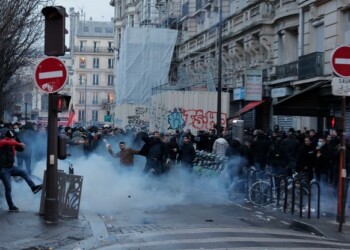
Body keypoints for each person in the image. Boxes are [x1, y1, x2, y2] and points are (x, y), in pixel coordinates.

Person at [0, 130, 43, 212]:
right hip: (3, 169)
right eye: (12, 138)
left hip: (11, 167)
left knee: (23, 172)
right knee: (8, 188)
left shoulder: (14, 142)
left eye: (14, 138)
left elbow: (20, 149)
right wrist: (18, 143)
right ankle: (11, 206)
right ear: (7, 137)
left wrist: (21, 145)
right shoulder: (2, 142)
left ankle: (33, 187)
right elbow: (7, 143)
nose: (13, 139)